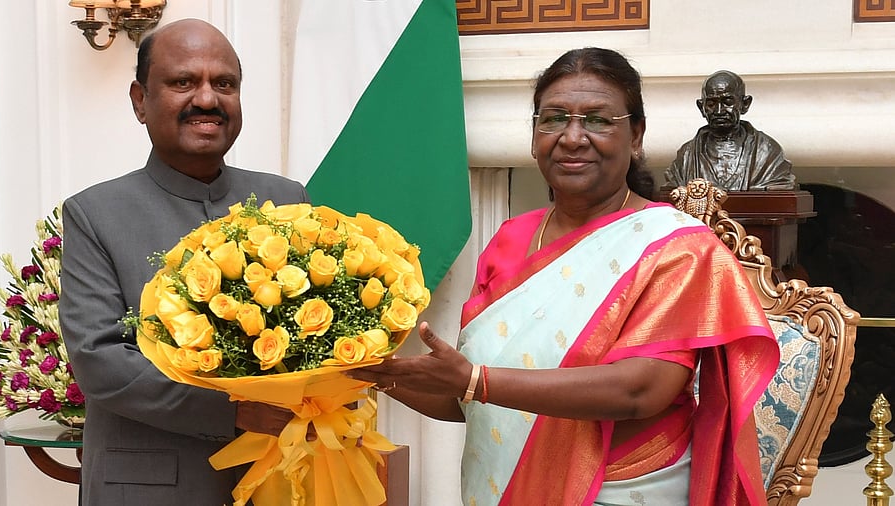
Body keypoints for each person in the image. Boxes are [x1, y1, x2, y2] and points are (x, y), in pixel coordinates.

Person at [347, 48, 780, 505]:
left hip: (622, 489)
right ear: (535, 136)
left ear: (636, 135)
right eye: (554, 119)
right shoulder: (510, 240)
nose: (572, 138)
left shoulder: (677, 248)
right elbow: (467, 398)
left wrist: (476, 380)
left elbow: (640, 389)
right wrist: (365, 371)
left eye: (597, 120)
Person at [59, 19, 308, 506]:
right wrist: (232, 411)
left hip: (282, 477)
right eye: (182, 82)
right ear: (139, 101)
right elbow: (100, 360)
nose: (208, 99)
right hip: (151, 486)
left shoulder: (287, 200)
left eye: (225, 84)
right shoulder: (95, 213)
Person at [663, 69, 796, 191]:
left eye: (727, 102)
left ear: (745, 104)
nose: (719, 111)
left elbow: (779, 192)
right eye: (711, 103)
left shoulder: (767, 152)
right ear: (701, 107)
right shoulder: (686, 155)